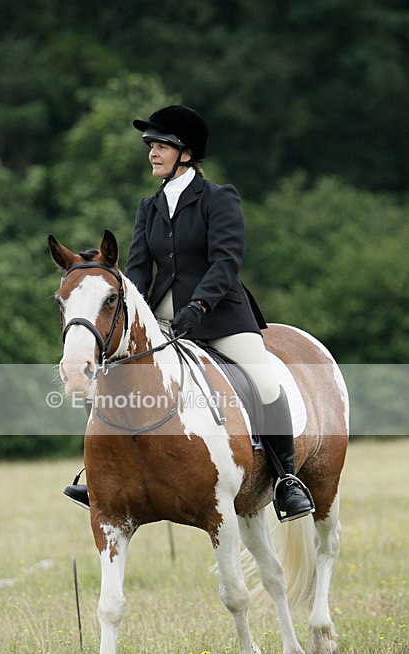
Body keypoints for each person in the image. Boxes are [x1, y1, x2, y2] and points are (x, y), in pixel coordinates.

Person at [64, 105, 314, 522]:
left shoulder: (219, 198)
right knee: (114, 372)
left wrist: (198, 306)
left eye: (161, 146)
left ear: (187, 153)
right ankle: (98, 474)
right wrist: (136, 316)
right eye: (150, 146)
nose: (152, 153)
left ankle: (287, 480)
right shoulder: (149, 206)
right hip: (162, 311)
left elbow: (226, 262)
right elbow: (140, 270)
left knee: (265, 382)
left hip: (221, 313)